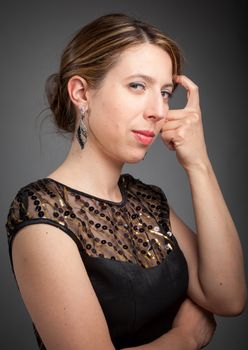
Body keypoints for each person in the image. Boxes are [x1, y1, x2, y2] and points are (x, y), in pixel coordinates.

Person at [5, 12, 247, 350]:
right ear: (81, 93)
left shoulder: (146, 199)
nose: (159, 111)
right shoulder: (41, 212)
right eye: (137, 85)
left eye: (165, 92)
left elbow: (228, 297)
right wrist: (186, 338)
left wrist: (198, 163)